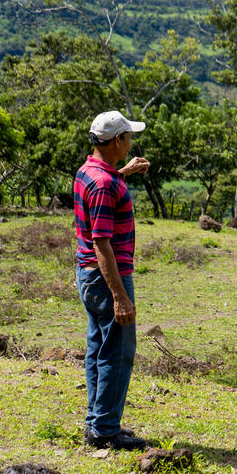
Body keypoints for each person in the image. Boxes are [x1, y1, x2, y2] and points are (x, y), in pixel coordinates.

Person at [74, 111, 150, 450]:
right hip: (108, 278)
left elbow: (101, 191)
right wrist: (120, 296)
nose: (131, 143)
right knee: (118, 352)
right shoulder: (105, 183)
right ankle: (105, 430)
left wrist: (124, 173)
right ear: (117, 140)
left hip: (88, 276)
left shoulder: (90, 172)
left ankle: (97, 422)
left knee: (98, 348)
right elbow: (101, 242)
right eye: (128, 137)